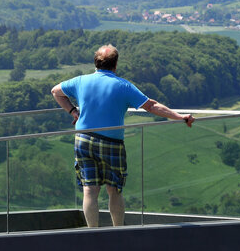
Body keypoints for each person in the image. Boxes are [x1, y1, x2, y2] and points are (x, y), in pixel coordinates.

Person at [50, 44, 195, 228]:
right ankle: (117, 231)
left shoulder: (80, 81)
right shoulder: (123, 86)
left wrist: (73, 111)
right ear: (115, 65)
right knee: (114, 189)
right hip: (111, 142)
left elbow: (56, 91)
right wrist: (179, 116)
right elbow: (151, 106)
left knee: (89, 190)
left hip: (83, 139)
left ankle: (92, 233)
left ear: (95, 63)